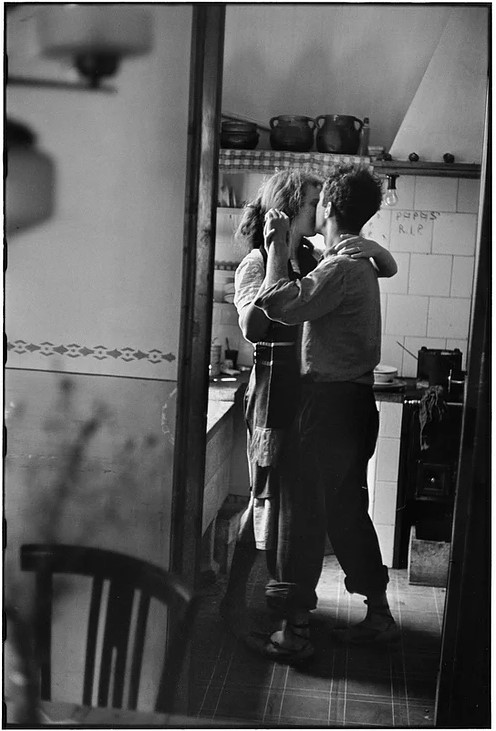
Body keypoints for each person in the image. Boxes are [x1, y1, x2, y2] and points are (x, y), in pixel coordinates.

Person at [221, 167, 397, 652]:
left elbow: (345, 274)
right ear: (290, 208)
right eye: (310, 199)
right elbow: (257, 323)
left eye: (322, 200)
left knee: (302, 514)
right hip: (277, 398)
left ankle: (293, 624)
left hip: (319, 404)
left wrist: (371, 249)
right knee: (268, 504)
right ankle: (235, 600)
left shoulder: (324, 260)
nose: (317, 209)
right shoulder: (261, 262)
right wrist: (277, 252)